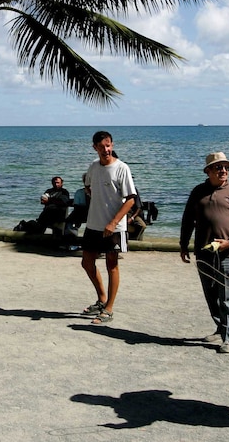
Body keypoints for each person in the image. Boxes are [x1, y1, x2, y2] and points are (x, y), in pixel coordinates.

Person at [180, 152, 229, 354]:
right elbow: (187, 220)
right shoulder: (198, 191)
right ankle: (220, 328)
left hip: (227, 253)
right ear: (208, 171)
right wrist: (183, 245)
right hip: (203, 253)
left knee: (228, 295)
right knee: (211, 295)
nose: (223, 170)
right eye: (219, 167)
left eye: (226, 167)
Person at [79, 131, 137, 325]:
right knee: (87, 262)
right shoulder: (93, 167)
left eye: (109, 145)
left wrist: (113, 222)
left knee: (111, 265)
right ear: (94, 147)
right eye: (102, 146)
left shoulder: (122, 168)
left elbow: (131, 200)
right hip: (93, 224)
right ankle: (102, 299)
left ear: (112, 145)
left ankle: (109, 309)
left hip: (115, 227)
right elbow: (87, 185)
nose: (106, 149)